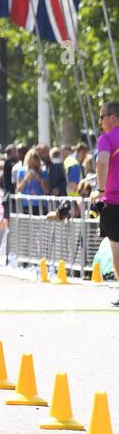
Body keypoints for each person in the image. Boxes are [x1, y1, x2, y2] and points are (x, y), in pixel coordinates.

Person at [93, 102, 119, 306]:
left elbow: (101, 162)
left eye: (102, 116)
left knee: (117, 249)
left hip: (114, 201)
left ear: (113, 117)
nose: (100, 121)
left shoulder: (107, 139)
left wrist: (100, 191)